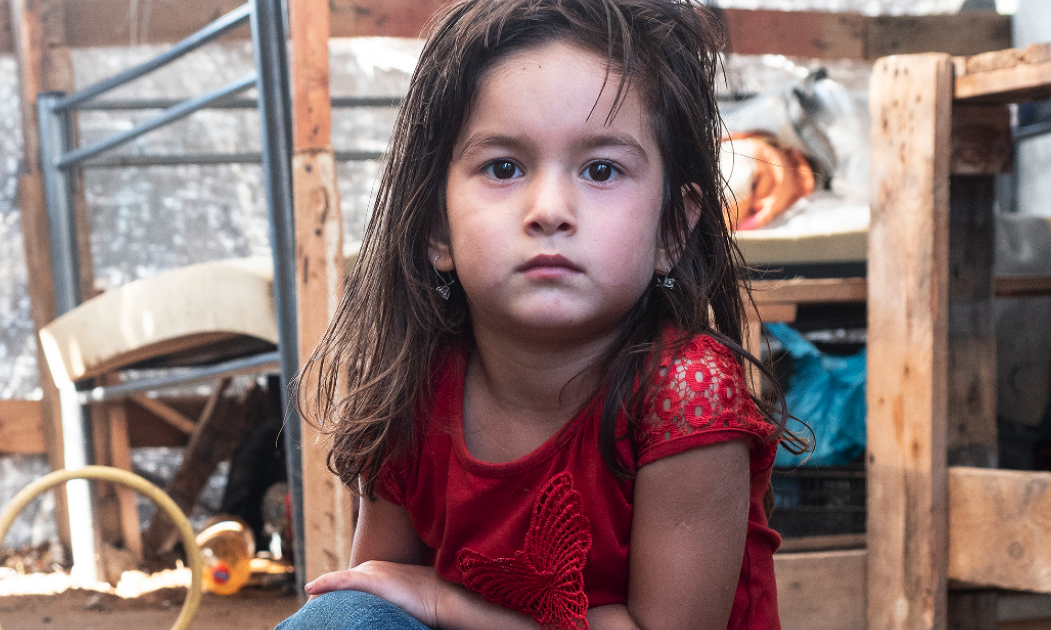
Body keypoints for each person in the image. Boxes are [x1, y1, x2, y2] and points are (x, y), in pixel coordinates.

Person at [277, 0, 803, 628]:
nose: (550, 209)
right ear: (436, 229)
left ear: (671, 230)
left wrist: (446, 603)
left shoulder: (687, 394)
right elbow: (372, 597)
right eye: (504, 168)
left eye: (601, 170)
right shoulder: (411, 385)